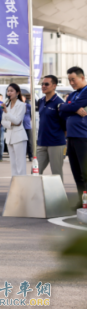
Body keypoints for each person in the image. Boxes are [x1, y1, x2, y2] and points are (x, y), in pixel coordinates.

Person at [59, 66, 87, 206]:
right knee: (76, 173)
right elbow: (62, 111)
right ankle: (81, 200)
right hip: (71, 137)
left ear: (82, 78)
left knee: (84, 171)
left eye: (73, 79)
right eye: (69, 80)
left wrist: (69, 106)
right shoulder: (72, 94)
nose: (71, 83)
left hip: (84, 137)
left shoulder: (86, 91)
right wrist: (72, 108)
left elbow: (72, 105)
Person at [37, 75, 66, 182]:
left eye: (46, 84)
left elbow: (64, 124)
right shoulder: (41, 101)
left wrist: (61, 138)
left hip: (56, 143)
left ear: (54, 86)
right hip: (41, 142)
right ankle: (35, 197)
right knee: (35, 172)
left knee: (56, 174)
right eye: (42, 84)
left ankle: (59, 198)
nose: (43, 86)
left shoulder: (59, 103)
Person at [0, 83, 28, 177]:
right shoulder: (6, 105)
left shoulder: (21, 105)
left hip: (19, 137)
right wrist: (11, 123)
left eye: (11, 91)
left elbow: (17, 121)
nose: (9, 93)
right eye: (8, 91)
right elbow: (3, 122)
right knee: (13, 164)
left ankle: (23, 186)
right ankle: (15, 186)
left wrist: (7, 114)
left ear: (17, 92)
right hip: (9, 137)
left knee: (20, 163)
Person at [23, 93, 33, 160]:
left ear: (25, 99)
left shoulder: (28, 106)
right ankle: (23, 156)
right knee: (22, 143)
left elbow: (31, 115)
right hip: (20, 127)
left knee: (29, 142)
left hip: (28, 126)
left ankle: (30, 156)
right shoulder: (17, 106)